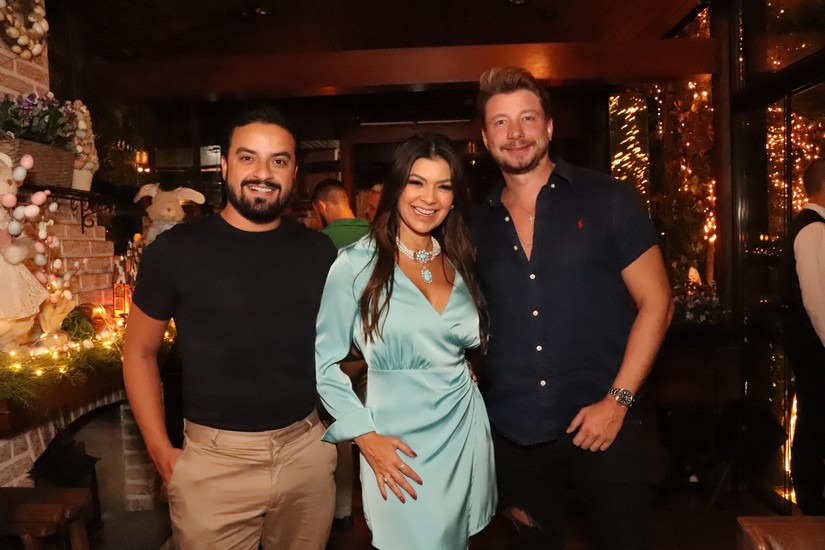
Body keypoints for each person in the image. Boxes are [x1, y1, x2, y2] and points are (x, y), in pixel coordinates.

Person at [471, 66, 673, 549]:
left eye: (527, 118)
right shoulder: (474, 225)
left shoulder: (608, 198)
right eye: (501, 122)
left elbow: (658, 302)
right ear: (485, 137)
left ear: (549, 126)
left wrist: (617, 401)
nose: (515, 133)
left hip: (607, 426)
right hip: (515, 435)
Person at [122, 105, 338, 549]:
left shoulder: (320, 252)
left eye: (278, 160)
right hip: (214, 464)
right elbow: (139, 352)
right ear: (224, 165)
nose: (263, 173)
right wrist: (159, 450)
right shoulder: (174, 252)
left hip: (305, 455)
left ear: (294, 172)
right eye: (248, 157)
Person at [315, 132, 496, 549]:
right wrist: (364, 437)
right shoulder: (356, 264)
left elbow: (457, 339)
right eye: (417, 182)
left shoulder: (460, 256)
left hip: (462, 428)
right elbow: (324, 366)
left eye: (443, 186)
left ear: (454, 197)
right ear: (396, 187)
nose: (429, 198)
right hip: (395, 444)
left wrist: (460, 363)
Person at [310, 176, 371, 530]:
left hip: (340, 357)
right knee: (379, 426)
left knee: (343, 431)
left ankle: (343, 513)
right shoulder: (381, 236)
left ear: (321, 206)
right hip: (376, 354)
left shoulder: (319, 244)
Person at [779, 158, 825, 515]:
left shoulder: (811, 227)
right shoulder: (813, 230)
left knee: (814, 419)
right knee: (814, 421)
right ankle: (811, 505)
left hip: (810, 344)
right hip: (815, 346)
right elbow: (818, 301)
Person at [311, 177, 371, 249]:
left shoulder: (319, 241)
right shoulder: (374, 232)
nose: (317, 219)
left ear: (322, 206)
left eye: (316, 213)